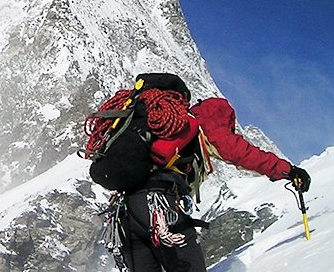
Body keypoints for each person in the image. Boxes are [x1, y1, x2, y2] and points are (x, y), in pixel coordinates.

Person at [112, 73, 310, 272]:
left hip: (124, 215)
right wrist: (289, 171)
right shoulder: (201, 123)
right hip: (161, 207)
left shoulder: (147, 125)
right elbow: (243, 154)